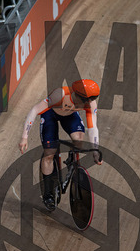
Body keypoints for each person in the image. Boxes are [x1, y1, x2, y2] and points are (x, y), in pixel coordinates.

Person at [19, 79, 102, 210]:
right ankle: (48, 194)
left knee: (79, 140)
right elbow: (35, 110)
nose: (90, 103)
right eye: (87, 100)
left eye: (93, 99)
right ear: (79, 96)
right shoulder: (60, 95)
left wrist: (95, 150)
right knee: (49, 154)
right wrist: (25, 137)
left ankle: (71, 159)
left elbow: (93, 127)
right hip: (50, 115)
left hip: (69, 115)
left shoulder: (90, 103)